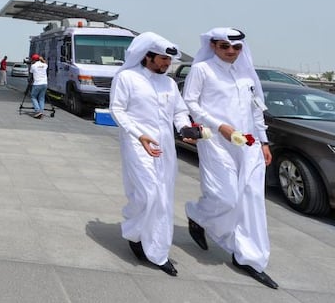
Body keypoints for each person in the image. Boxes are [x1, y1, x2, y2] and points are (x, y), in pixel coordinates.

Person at [182, 27, 278, 289]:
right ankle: (198, 214)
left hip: (248, 144)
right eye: (225, 46)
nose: (231, 51)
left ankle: (249, 257)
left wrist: (264, 142)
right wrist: (219, 125)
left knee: (252, 201)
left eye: (237, 47)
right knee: (226, 197)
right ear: (213, 46)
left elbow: (256, 109)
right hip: (216, 141)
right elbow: (190, 103)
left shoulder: (247, 73)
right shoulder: (202, 70)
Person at [109, 32, 192, 277]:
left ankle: (157, 250)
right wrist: (138, 134)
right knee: (148, 194)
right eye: (163, 59)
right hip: (137, 143)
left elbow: (179, 111)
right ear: (148, 57)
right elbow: (117, 110)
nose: (168, 64)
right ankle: (135, 235)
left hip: (165, 147)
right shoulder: (127, 78)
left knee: (163, 198)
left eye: (169, 60)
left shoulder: (168, 83)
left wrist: (184, 128)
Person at [29, 54, 48, 118]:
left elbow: (31, 74)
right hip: (44, 83)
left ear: (33, 59)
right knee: (41, 98)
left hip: (37, 84)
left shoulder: (33, 66)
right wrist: (42, 59)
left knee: (33, 96)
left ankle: (37, 111)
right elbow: (46, 63)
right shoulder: (44, 65)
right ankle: (41, 111)